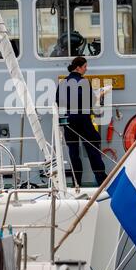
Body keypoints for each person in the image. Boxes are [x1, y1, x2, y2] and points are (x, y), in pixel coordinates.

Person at [56, 56, 107, 186]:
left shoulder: (62, 83)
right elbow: (90, 101)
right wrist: (99, 95)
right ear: (78, 68)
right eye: (85, 67)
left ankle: (76, 182)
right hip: (83, 120)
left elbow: (58, 102)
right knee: (93, 149)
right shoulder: (83, 82)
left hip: (68, 121)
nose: (86, 69)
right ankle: (102, 180)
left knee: (74, 152)